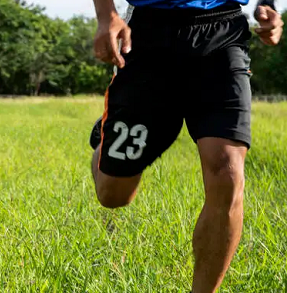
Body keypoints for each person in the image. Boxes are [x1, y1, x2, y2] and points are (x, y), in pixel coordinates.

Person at [89, 0, 283, 292]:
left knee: (227, 171)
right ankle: (108, 130)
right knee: (113, 194)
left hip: (223, 33)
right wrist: (107, 16)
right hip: (147, 36)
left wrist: (268, 4)